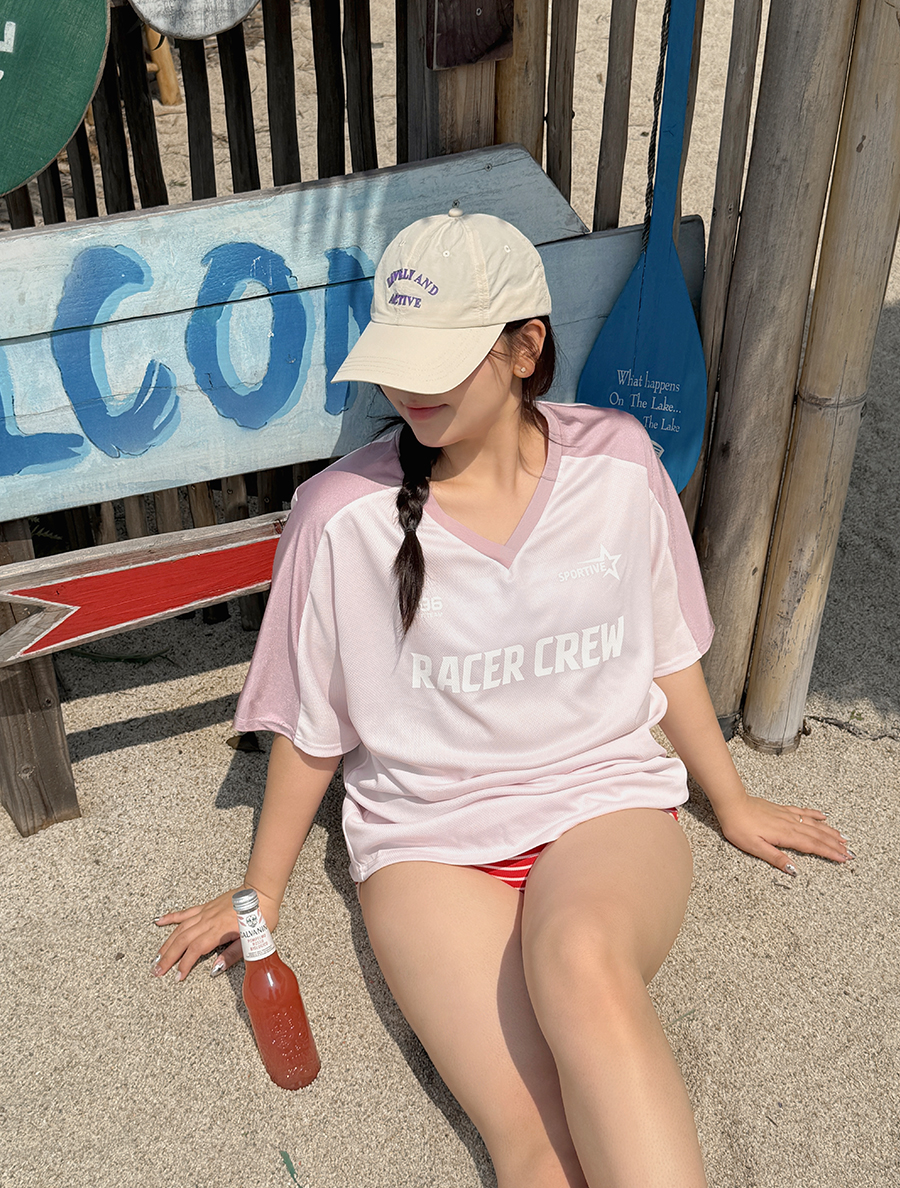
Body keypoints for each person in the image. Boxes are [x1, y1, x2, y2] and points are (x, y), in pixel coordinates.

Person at [152, 209, 851, 1188]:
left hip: (602, 809)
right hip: (428, 846)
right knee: (536, 1135)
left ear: (526, 349)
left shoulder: (619, 464)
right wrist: (258, 895)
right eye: (398, 359)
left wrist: (729, 800)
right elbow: (313, 728)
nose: (411, 388)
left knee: (581, 963)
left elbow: (665, 652)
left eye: (440, 359)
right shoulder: (338, 517)